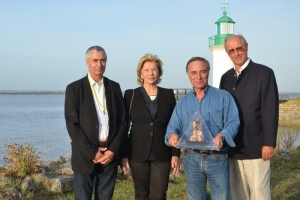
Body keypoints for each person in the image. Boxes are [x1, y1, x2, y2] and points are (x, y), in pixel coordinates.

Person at [165, 57, 240, 200]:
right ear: (188, 75)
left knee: (222, 197)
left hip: (218, 157)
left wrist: (222, 135)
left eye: (202, 72)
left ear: (208, 72)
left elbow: (233, 122)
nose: (198, 76)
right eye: (193, 73)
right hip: (191, 158)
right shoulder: (182, 102)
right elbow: (173, 126)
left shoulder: (224, 97)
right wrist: (172, 134)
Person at [219, 35, 279, 200]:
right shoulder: (225, 78)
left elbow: (270, 110)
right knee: (237, 193)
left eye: (239, 48)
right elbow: (222, 112)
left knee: (259, 194)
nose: (236, 53)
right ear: (227, 53)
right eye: (231, 50)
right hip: (232, 147)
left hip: (257, 146)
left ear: (246, 47)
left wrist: (269, 143)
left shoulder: (264, 73)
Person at [65, 46, 126, 200]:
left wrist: (113, 150)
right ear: (87, 62)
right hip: (85, 156)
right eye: (95, 60)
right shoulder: (74, 89)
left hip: (109, 156)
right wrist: (92, 152)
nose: (99, 64)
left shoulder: (114, 87)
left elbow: (123, 121)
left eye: (103, 60)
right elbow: (72, 124)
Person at [120, 53, 180, 200]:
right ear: (140, 72)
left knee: (159, 195)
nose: (150, 73)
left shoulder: (167, 95)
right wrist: (123, 154)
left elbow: (175, 125)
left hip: (162, 152)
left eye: (154, 69)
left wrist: (175, 153)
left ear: (159, 72)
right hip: (137, 153)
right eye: (146, 70)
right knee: (141, 195)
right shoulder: (130, 95)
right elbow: (124, 127)